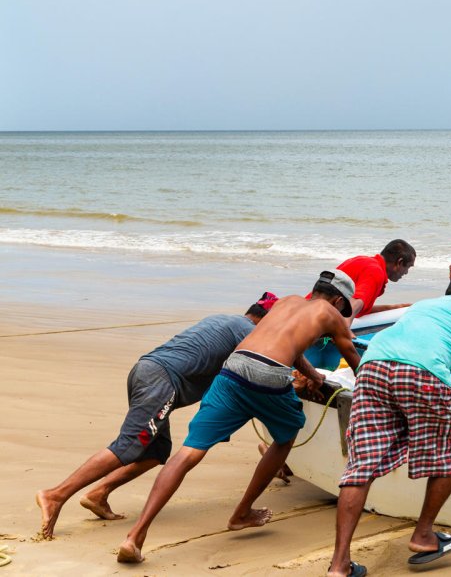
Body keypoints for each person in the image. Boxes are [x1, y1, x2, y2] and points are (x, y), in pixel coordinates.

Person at [115, 271, 361, 564]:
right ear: (336, 300)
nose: (339, 312)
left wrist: (313, 376)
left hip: (233, 366)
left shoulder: (286, 302)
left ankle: (135, 536)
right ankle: (243, 511)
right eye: (341, 307)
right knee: (287, 433)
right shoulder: (329, 314)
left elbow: (288, 347)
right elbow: (351, 352)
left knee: (189, 452)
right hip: (268, 375)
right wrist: (369, 388)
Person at [34, 293, 278, 540]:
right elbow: (258, 367)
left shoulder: (224, 320)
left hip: (147, 371)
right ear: (264, 321)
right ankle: (56, 495)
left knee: (155, 452)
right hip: (161, 382)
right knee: (129, 445)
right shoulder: (246, 330)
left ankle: (99, 494)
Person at [326, 274, 451, 575]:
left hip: (371, 368)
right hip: (422, 374)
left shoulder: (423, 306)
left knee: (360, 467)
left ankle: (339, 565)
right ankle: (424, 535)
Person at [304, 239, 416, 371]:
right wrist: (345, 328)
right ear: (399, 262)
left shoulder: (363, 261)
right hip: (315, 318)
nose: (406, 273)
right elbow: (356, 302)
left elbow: (359, 306)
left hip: (309, 309)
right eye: (408, 267)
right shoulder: (376, 272)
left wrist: (392, 308)